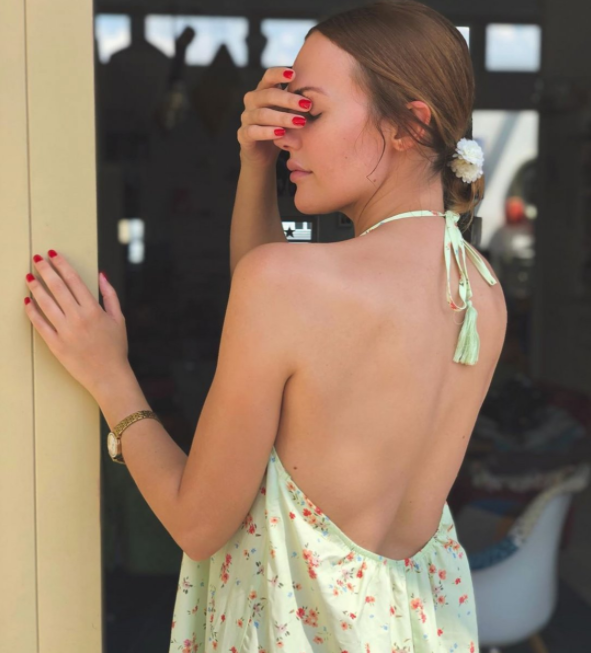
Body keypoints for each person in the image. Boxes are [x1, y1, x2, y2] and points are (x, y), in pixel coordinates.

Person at [170, 1, 507, 651]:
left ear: (408, 125)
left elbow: (196, 525)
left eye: (310, 112)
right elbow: (268, 315)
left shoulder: (290, 287)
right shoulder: (480, 289)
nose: (285, 135)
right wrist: (255, 165)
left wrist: (110, 380)